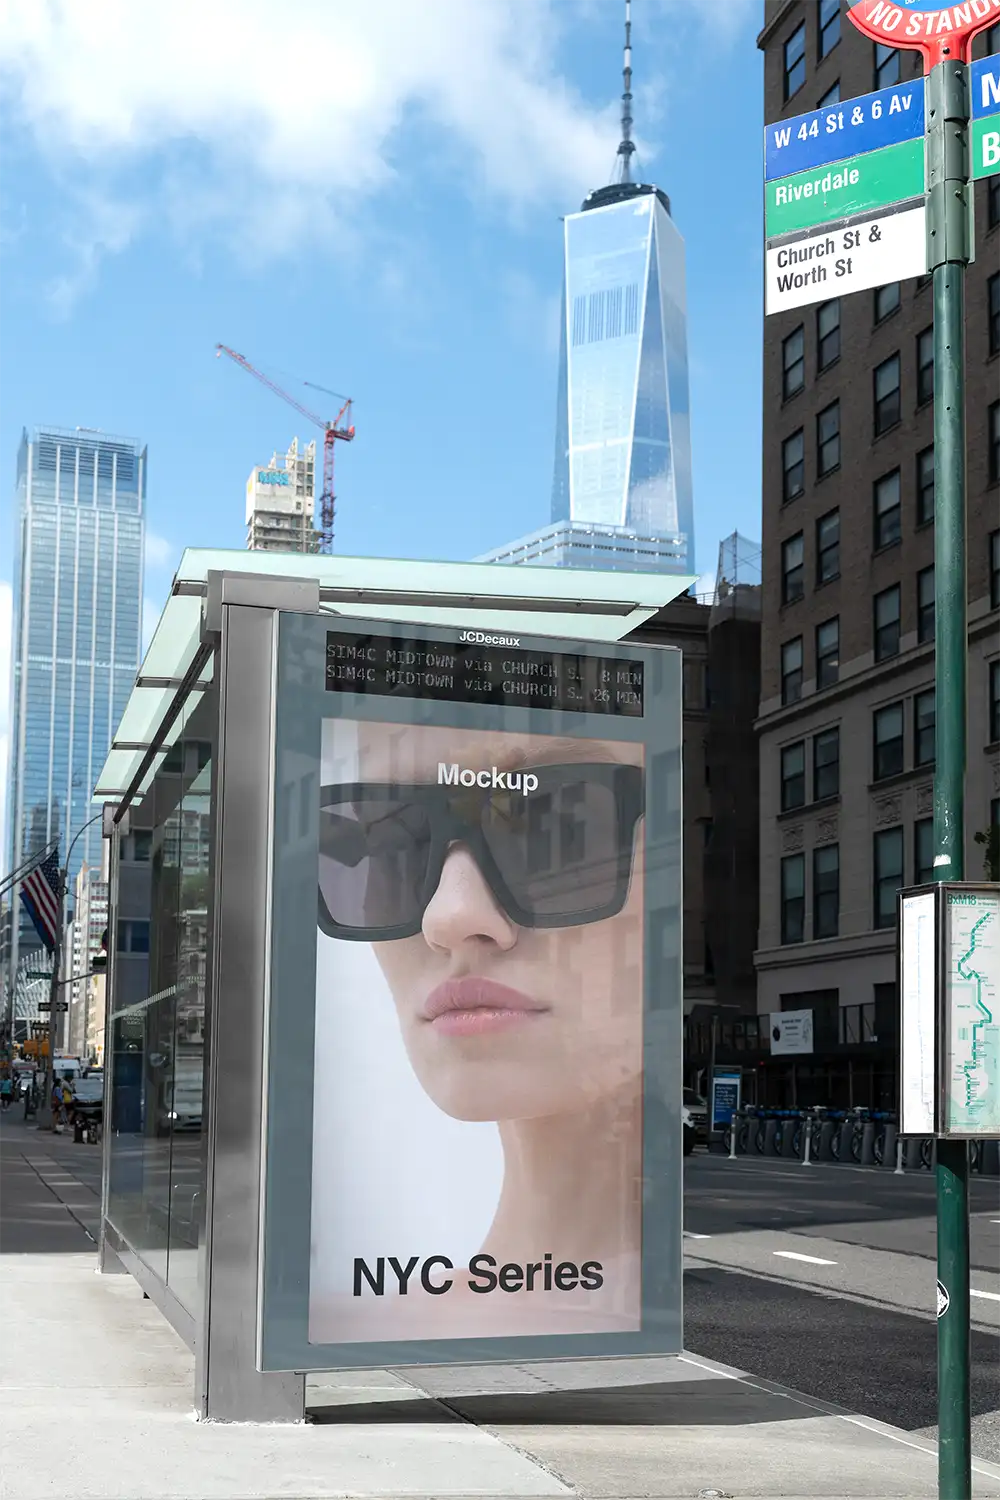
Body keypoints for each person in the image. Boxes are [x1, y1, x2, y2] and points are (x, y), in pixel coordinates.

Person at [313, 720, 647, 1340]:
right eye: (393, 843)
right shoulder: (339, 1325)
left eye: (555, 822)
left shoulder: (347, 1326)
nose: (451, 915)